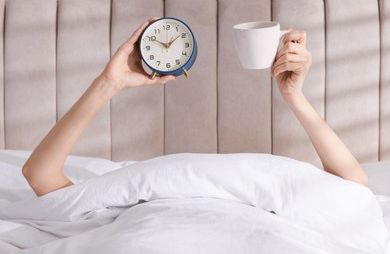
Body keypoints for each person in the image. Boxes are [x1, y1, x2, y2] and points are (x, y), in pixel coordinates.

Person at [21, 18, 368, 197]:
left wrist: (294, 95)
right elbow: (355, 185)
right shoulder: (134, 200)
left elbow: (355, 187)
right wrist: (109, 82)